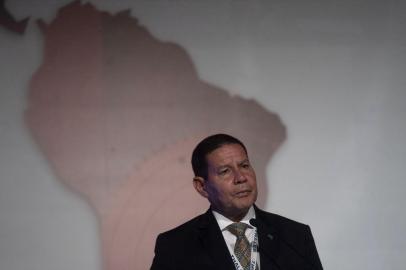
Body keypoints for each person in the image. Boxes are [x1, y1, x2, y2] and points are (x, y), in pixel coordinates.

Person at [150, 134, 323, 270]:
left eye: (245, 166)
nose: (241, 178)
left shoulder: (295, 236)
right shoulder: (176, 245)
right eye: (225, 171)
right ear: (202, 186)